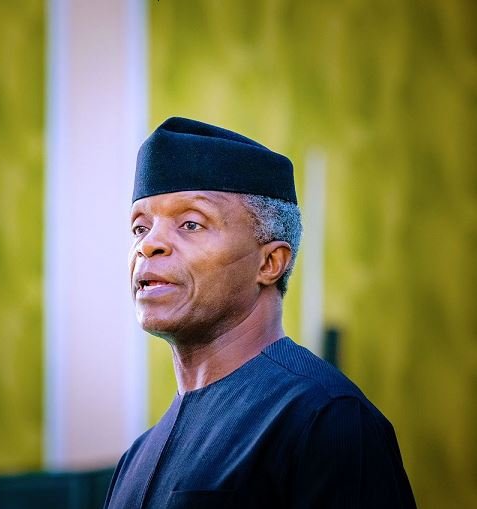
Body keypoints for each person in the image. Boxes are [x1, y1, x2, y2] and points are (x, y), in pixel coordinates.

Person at [104, 117, 416, 508]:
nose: (150, 245)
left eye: (190, 224)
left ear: (269, 263)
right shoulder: (135, 459)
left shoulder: (325, 420)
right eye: (139, 228)